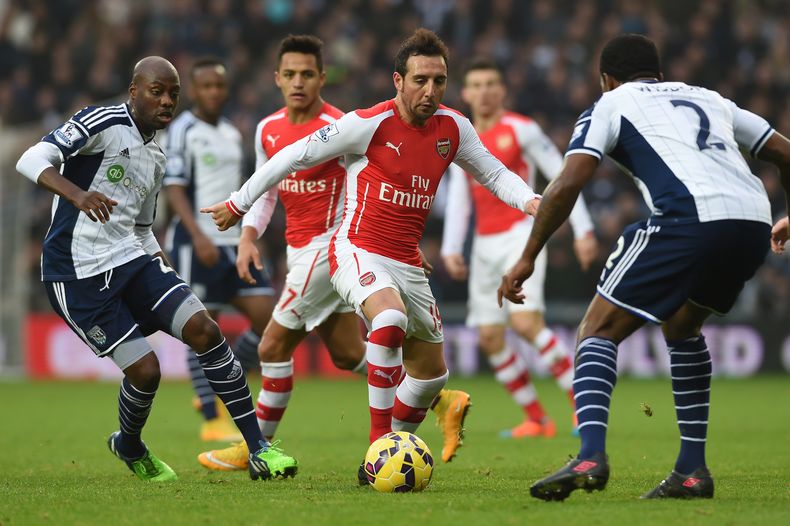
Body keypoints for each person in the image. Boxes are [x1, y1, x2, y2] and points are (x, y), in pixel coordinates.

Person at [202, 28, 541, 483]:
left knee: (430, 376)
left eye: (439, 81)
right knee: (387, 321)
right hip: (355, 249)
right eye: (420, 80)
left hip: (405, 259)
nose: (431, 91)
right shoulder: (368, 122)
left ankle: (391, 453)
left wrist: (530, 200)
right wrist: (239, 204)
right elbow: (294, 155)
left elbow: (496, 174)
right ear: (397, 80)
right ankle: (376, 447)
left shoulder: (454, 127)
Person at [498, 34, 790, 501]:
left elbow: (569, 180)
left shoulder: (610, 103)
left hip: (690, 218)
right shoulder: (709, 97)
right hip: (752, 220)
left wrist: (528, 254)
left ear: (606, 79)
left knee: (596, 330)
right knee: (682, 326)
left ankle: (590, 454)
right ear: (657, 71)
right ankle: (692, 472)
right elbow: (785, 152)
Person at [15, 56, 297, 482]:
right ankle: (128, 444)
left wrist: (160, 261)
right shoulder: (103, 120)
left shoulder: (157, 155)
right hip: (76, 274)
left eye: (172, 94)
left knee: (205, 329)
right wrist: (78, 195)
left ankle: (259, 448)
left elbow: (142, 228)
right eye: (156, 91)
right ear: (134, 91)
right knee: (146, 372)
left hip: (131, 258)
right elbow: (32, 157)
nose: (166, 100)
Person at [441, 58, 598, 439]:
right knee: (490, 338)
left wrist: (583, 229)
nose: (484, 91)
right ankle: (537, 420)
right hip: (482, 246)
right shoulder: (460, 137)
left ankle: (584, 410)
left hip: (519, 236)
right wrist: (451, 246)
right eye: (476, 84)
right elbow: (462, 197)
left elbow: (564, 178)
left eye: (491, 83)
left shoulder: (523, 130)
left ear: (502, 90)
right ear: (465, 93)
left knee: (527, 324)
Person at [163, 57, 274, 443]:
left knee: (269, 321)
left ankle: (222, 384)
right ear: (194, 91)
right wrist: (197, 235)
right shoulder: (182, 130)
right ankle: (211, 415)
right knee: (202, 329)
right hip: (199, 242)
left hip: (234, 242)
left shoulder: (230, 132)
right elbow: (173, 186)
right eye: (206, 86)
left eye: (219, 86)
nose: (213, 92)